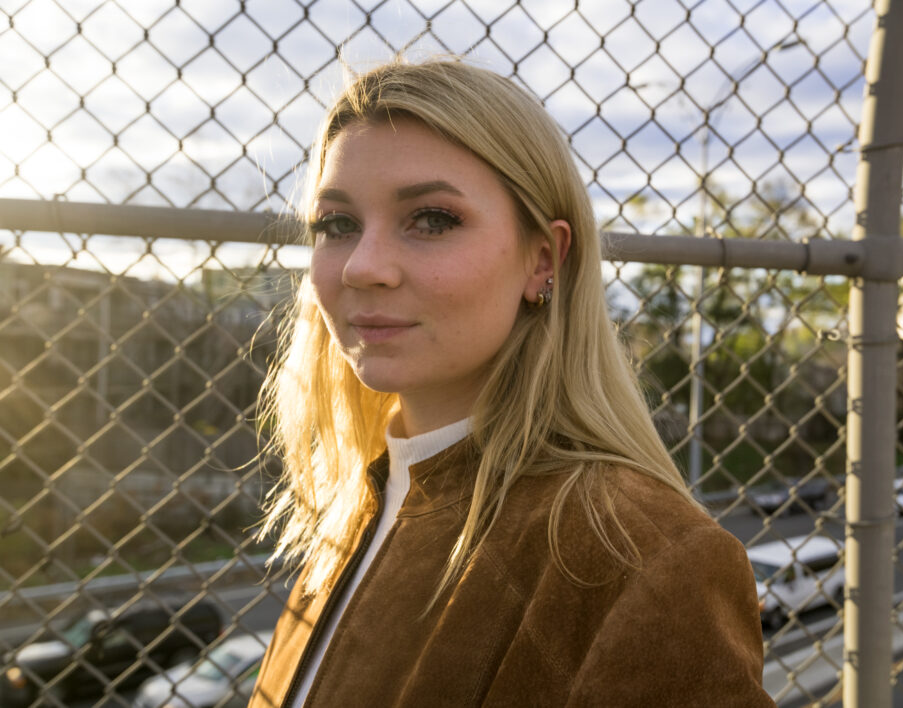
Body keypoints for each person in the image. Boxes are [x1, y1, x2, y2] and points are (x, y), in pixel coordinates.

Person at [249, 58, 775, 707]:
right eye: (336, 224)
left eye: (432, 219)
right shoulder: (359, 502)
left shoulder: (641, 557)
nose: (362, 266)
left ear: (543, 259)